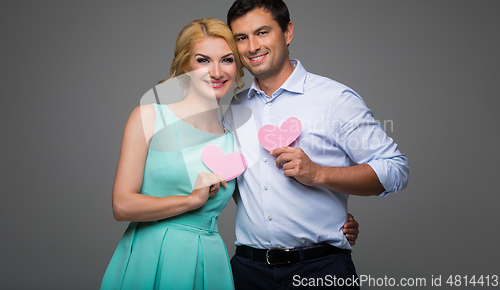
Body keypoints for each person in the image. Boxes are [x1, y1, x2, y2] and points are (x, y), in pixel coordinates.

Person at [100, 18, 360, 289]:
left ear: (237, 67)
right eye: (203, 60)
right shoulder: (149, 117)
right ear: (184, 65)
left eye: (226, 60)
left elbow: (263, 196)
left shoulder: (233, 135)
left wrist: (331, 221)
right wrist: (191, 200)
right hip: (152, 253)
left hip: (208, 260)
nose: (216, 71)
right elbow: (122, 206)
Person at [224, 0, 409, 289]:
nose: (252, 46)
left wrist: (319, 174)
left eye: (262, 32)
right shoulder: (232, 110)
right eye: (241, 37)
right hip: (247, 272)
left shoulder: (334, 99)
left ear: (288, 32)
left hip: (320, 270)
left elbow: (395, 169)